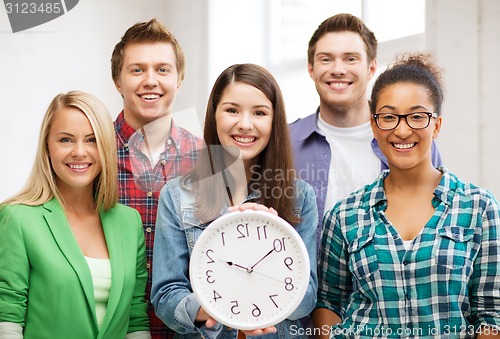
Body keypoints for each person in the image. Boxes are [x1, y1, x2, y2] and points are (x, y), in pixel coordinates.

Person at [314, 53, 500, 338]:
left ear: (436, 125)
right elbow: (329, 303)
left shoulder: (479, 207)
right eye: (388, 117)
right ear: (374, 126)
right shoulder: (344, 215)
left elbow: (492, 314)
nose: (402, 130)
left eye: (416, 116)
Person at [151, 63, 318, 339]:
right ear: (214, 115)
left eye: (260, 113)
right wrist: (225, 308)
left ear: (274, 121)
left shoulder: (299, 196)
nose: (244, 123)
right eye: (232, 110)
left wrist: (275, 233)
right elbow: (167, 298)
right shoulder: (177, 195)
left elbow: (306, 299)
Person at [0, 91, 150, 338]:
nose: (80, 152)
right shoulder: (17, 218)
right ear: (47, 146)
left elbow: (135, 319)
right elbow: (7, 318)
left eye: (92, 140)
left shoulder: (129, 221)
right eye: (66, 140)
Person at [289, 13, 442, 248]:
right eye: (326, 59)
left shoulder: (410, 141)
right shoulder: (286, 143)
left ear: (371, 68)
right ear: (311, 69)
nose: (338, 69)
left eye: (350, 59)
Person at [111, 18, 202, 338]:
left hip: (185, 331)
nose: (150, 80)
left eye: (162, 69)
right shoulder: (93, 155)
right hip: (110, 326)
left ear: (179, 79)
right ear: (117, 81)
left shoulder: (207, 160)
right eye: (137, 70)